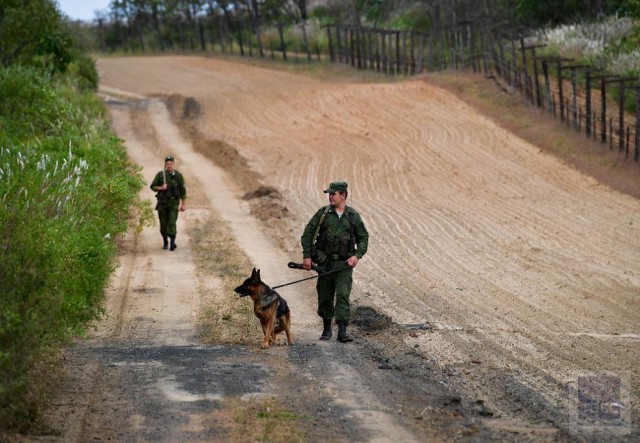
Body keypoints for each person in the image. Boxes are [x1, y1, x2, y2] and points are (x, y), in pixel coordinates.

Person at [301, 181, 369, 343]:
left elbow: (363, 238)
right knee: (324, 295)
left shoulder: (353, 216)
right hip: (325, 263)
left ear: (343, 195)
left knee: (343, 295)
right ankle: (326, 329)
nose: (330, 196)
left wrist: (357, 256)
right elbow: (307, 234)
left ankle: (342, 331)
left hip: (344, 265)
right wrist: (307, 256)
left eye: (333, 193)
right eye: (329, 194)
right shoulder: (323, 214)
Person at [150, 155, 187, 251]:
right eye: (168, 164)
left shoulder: (178, 176)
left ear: (174, 164)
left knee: (172, 222)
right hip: (162, 204)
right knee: (163, 224)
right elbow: (152, 186)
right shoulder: (160, 175)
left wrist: (183, 204)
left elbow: (183, 191)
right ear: (165, 165)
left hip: (174, 204)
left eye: (171, 164)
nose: (169, 165)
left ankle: (173, 243)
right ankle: (165, 241)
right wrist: (161, 188)